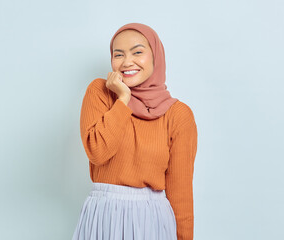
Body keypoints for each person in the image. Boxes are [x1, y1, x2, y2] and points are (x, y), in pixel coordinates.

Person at [71, 22, 198, 240]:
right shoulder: (100, 93)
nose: (127, 62)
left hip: (153, 219)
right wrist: (123, 99)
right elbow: (98, 152)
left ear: (155, 56)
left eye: (137, 52)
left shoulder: (179, 115)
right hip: (104, 217)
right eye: (118, 54)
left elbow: (181, 193)